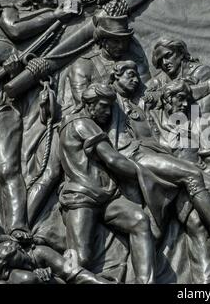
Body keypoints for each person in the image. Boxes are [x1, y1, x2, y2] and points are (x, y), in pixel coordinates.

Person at [109, 61, 210, 278]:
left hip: (166, 169)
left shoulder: (144, 101)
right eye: (130, 75)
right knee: (152, 231)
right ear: (115, 77)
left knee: (199, 220)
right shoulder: (110, 100)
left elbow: (187, 91)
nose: (136, 80)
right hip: (141, 164)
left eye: (136, 76)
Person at [58, 83, 156, 284]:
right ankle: (44, 265)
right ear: (89, 104)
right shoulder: (82, 123)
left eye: (111, 106)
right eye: (103, 106)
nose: (108, 111)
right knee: (79, 258)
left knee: (139, 220)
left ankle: (146, 281)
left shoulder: (82, 123)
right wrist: (145, 173)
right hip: (81, 197)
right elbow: (113, 159)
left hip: (106, 196)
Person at [0, 235, 112, 284]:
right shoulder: (12, 276)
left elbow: (76, 274)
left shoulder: (39, 252)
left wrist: (51, 280)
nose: (15, 247)